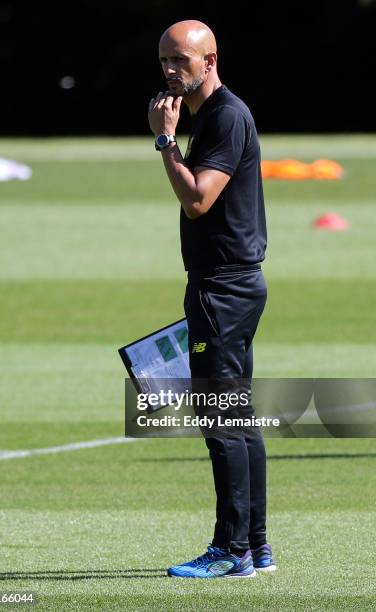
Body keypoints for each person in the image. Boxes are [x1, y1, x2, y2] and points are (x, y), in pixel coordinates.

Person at [148, 20, 276, 578]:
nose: (172, 70)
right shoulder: (218, 114)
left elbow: (199, 200)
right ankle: (257, 545)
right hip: (233, 285)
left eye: (181, 60)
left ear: (210, 59)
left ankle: (232, 551)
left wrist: (164, 141)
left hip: (222, 289)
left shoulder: (223, 116)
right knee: (240, 417)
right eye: (164, 62)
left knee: (220, 420)